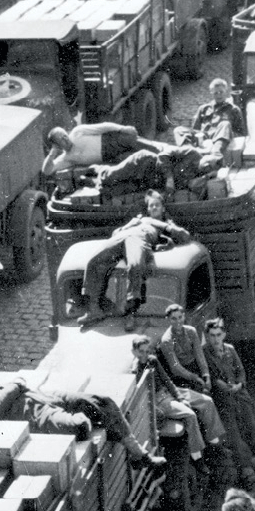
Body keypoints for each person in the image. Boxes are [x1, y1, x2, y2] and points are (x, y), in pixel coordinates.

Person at [0, 372, 166, 470]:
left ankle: (140, 455)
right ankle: (109, 428)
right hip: (37, 414)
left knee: (101, 402)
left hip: (47, 397)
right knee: (79, 426)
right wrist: (16, 384)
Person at [79, 190, 191, 329]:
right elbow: (115, 233)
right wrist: (129, 225)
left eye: (157, 205)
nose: (154, 208)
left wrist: (163, 226)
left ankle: (130, 313)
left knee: (135, 265)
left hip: (139, 238)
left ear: (163, 208)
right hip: (124, 235)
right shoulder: (138, 219)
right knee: (95, 260)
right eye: (151, 206)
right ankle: (94, 309)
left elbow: (185, 236)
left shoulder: (165, 223)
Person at [131, 335, 223, 467]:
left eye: (147, 351)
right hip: (159, 399)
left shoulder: (152, 361)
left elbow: (167, 381)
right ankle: (197, 458)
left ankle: (215, 444)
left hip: (169, 392)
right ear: (134, 352)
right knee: (190, 415)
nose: (145, 355)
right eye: (141, 352)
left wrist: (180, 397)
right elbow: (142, 398)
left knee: (206, 401)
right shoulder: (135, 371)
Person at [202, 316, 255, 488]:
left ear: (224, 335)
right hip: (222, 402)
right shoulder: (205, 353)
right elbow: (207, 375)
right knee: (235, 438)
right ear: (207, 336)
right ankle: (246, 473)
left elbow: (240, 371)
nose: (215, 339)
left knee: (250, 430)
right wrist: (217, 383)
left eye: (218, 335)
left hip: (239, 397)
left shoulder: (230, 349)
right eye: (212, 335)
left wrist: (239, 384)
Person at [41, 122, 145, 178]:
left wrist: (122, 128)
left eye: (64, 135)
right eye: (61, 139)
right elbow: (47, 171)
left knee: (136, 140)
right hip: (110, 158)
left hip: (111, 141)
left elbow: (103, 127)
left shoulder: (77, 132)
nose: (65, 138)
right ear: (58, 146)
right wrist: (52, 153)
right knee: (137, 160)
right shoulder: (66, 158)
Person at [174, 78, 246, 156]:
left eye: (221, 92)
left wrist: (226, 133)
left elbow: (241, 133)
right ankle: (188, 151)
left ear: (226, 92)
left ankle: (216, 153)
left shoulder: (234, 109)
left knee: (225, 124)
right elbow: (195, 130)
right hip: (205, 136)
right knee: (178, 130)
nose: (219, 95)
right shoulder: (204, 108)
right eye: (215, 93)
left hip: (222, 137)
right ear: (211, 93)